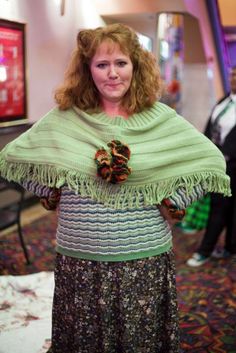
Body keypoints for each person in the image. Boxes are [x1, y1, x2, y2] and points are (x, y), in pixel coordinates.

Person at [0, 23, 231, 353]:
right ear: (87, 69)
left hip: (143, 259)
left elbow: (211, 161)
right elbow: (13, 158)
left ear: (135, 66)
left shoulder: (159, 118)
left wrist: (176, 200)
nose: (112, 73)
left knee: (140, 343)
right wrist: (49, 189)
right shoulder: (66, 119)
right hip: (80, 262)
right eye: (101, 64)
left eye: (120, 63)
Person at [187, 66, 236, 267]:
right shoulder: (223, 102)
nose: (234, 77)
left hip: (232, 166)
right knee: (222, 207)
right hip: (217, 165)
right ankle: (228, 247)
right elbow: (209, 130)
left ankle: (205, 251)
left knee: (221, 208)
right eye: (233, 73)